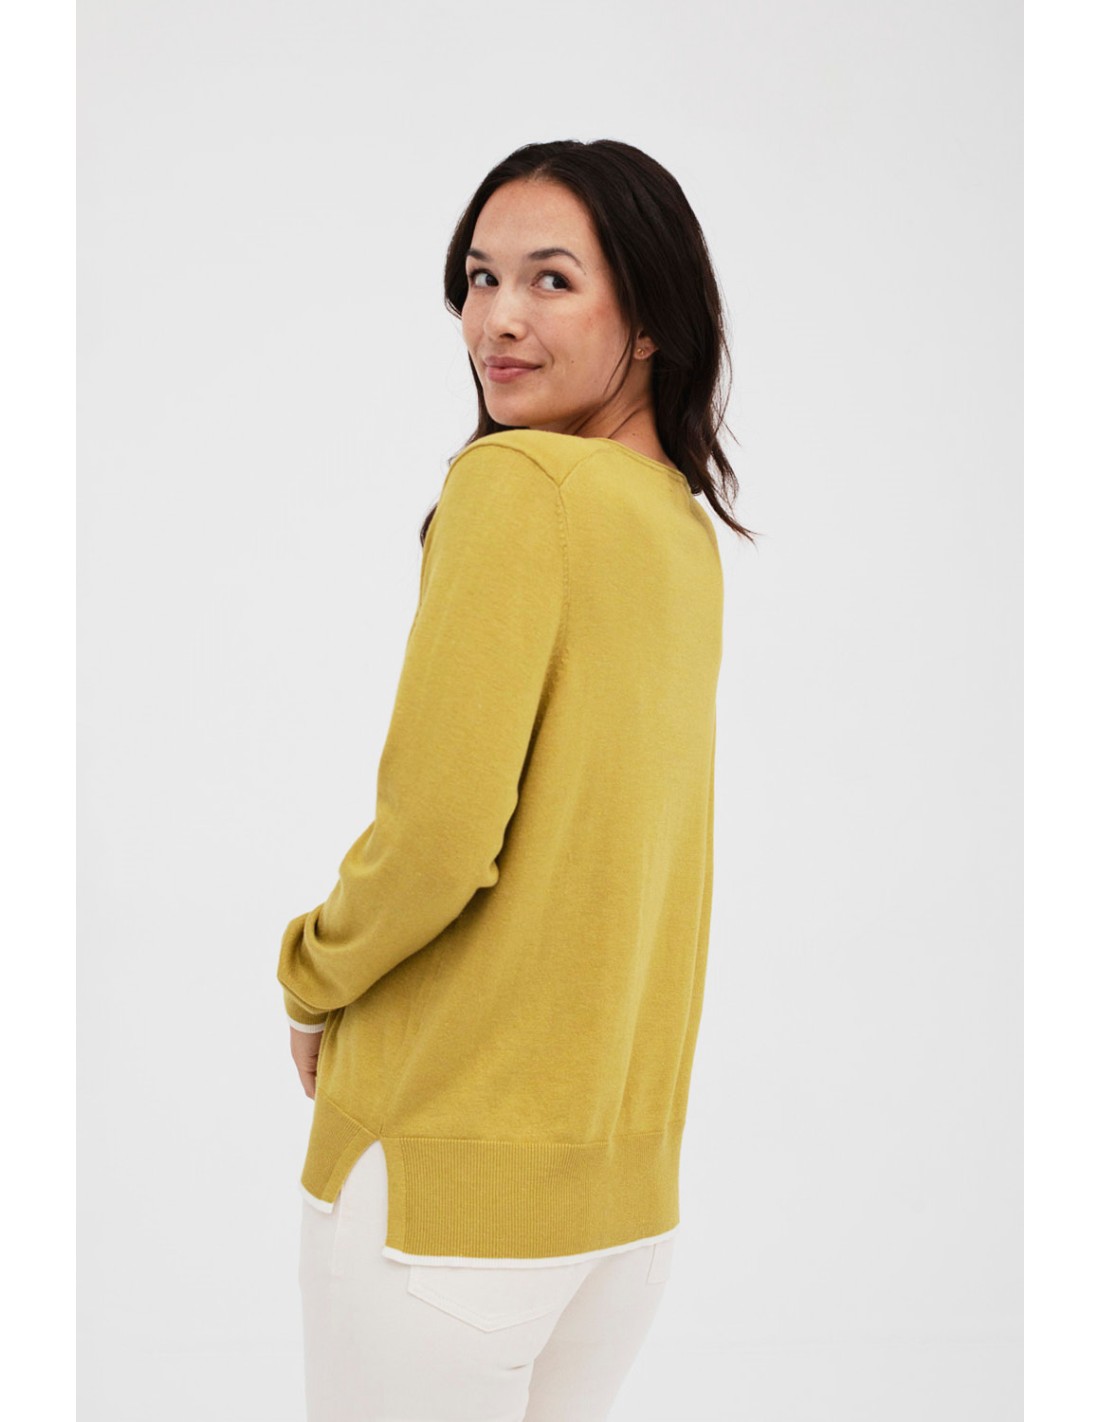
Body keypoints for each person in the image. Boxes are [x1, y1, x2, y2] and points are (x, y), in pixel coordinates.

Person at [277, 137, 756, 1421]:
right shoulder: (676, 527)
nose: (496, 319)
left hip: (443, 1194)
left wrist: (310, 971)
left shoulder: (515, 484)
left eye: (551, 280)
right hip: (617, 1209)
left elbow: (436, 836)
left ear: (647, 317)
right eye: (479, 278)